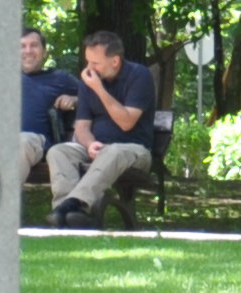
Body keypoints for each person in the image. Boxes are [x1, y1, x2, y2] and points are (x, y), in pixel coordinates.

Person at [51, 30, 164, 227]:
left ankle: (74, 204)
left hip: (133, 151)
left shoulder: (139, 76)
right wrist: (90, 144)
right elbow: (82, 126)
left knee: (113, 151)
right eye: (88, 61)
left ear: (115, 61)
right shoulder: (90, 80)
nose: (89, 68)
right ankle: (68, 212)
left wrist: (99, 89)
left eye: (95, 63)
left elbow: (126, 122)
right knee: (58, 151)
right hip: (99, 148)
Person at [18, 29, 83, 190]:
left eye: (34, 46)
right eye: (22, 46)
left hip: (34, 143)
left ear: (44, 52)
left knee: (22, 140)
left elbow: (96, 97)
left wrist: (75, 99)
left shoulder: (59, 78)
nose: (28, 51)